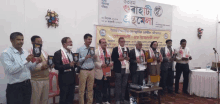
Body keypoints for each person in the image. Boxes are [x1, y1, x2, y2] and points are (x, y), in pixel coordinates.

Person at [0, 32, 40, 104]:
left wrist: (36, 63)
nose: (21, 42)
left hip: (27, 85)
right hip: (15, 87)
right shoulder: (6, 53)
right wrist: (26, 61)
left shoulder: (25, 52)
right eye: (18, 39)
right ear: (11, 40)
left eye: (22, 39)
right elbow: (10, 70)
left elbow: (30, 67)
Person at [53, 37, 76, 104]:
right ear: (64, 44)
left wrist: (76, 64)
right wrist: (69, 65)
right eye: (69, 42)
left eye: (71, 42)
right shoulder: (58, 53)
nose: (71, 43)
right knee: (63, 97)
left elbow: (73, 65)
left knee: (71, 97)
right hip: (64, 79)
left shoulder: (72, 53)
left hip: (72, 77)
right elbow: (56, 66)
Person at [29, 35, 51, 104]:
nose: (40, 43)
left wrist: (50, 65)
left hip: (46, 79)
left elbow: (47, 63)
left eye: (41, 41)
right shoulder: (30, 52)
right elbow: (29, 67)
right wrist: (41, 67)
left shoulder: (44, 52)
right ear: (32, 43)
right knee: (35, 100)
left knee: (44, 100)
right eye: (38, 42)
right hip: (36, 80)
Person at [76, 33, 96, 104]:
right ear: (84, 39)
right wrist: (85, 57)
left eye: (91, 39)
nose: (90, 41)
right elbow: (77, 60)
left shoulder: (93, 49)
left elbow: (94, 60)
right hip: (83, 71)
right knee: (82, 89)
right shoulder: (79, 49)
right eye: (88, 39)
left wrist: (95, 57)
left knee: (90, 89)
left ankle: (89, 102)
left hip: (92, 70)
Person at [111, 37, 130, 104]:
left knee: (124, 84)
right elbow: (113, 58)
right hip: (118, 69)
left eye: (123, 41)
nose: (122, 42)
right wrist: (118, 59)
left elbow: (128, 57)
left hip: (126, 68)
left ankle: (123, 99)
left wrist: (128, 58)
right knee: (118, 85)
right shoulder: (115, 49)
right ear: (118, 42)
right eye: (121, 41)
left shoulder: (127, 49)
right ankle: (117, 100)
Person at [94, 38, 113, 104]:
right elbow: (94, 62)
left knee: (106, 87)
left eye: (105, 42)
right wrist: (101, 65)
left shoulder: (109, 51)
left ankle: (105, 100)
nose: (105, 44)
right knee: (99, 88)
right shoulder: (96, 51)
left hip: (107, 71)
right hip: (99, 72)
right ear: (100, 44)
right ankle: (98, 101)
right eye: (103, 43)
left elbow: (110, 60)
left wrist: (111, 63)